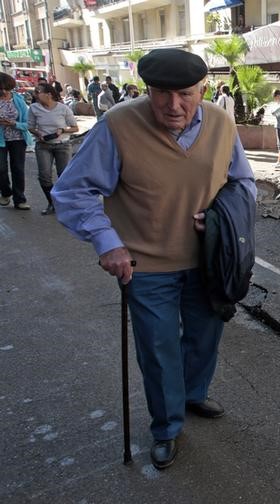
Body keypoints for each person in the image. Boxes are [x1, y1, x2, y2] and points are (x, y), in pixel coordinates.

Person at [51, 48, 257, 470]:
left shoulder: (220, 122)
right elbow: (73, 191)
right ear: (148, 90)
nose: (173, 105)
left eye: (185, 94)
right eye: (162, 94)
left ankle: (193, 393)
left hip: (207, 261)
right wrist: (108, 242)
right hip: (144, 266)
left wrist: (221, 219)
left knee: (205, 338)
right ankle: (166, 426)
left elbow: (244, 184)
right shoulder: (119, 124)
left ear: (202, 89)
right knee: (159, 349)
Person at [28, 83, 78, 215]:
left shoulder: (63, 108)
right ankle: (52, 203)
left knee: (64, 175)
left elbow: (75, 127)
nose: (36, 94)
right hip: (43, 145)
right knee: (44, 176)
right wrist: (38, 134)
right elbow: (30, 126)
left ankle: (65, 203)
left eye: (38, 92)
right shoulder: (33, 108)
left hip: (62, 145)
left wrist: (62, 130)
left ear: (49, 94)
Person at [0, 72, 34, 210]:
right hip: (1, 140)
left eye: (6, 88)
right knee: (1, 168)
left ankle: (19, 199)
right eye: (0, 89)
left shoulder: (18, 100)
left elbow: (28, 124)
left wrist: (14, 124)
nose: (3, 91)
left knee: (18, 169)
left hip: (18, 139)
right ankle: (6, 192)